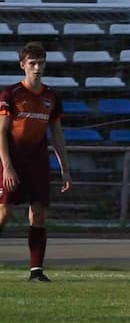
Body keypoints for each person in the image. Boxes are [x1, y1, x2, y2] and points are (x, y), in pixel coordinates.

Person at [0, 41, 72, 282]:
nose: (37, 68)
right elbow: (1, 132)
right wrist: (7, 165)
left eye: (41, 63)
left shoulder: (51, 97)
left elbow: (57, 134)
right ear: (23, 65)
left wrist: (65, 167)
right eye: (32, 63)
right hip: (13, 159)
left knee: (38, 214)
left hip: (39, 161)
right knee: (4, 212)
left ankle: (36, 271)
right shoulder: (11, 95)